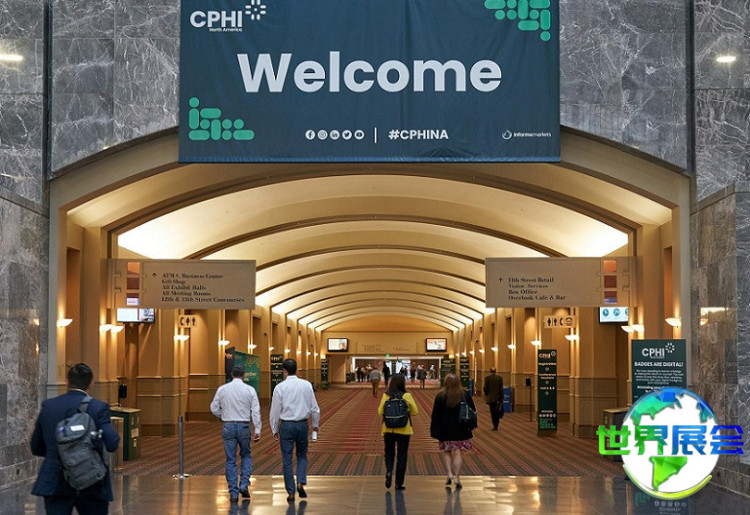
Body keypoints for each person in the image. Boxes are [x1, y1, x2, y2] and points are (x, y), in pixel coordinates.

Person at [30, 363, 120, 515]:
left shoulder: (49, 406)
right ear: (91, 384)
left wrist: (62, 454)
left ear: (67, 382)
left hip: (55, 479)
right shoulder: (98, 407)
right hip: (91, 480)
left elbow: (36, 446)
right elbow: (112, 443)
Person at [270, 358, 321, 503]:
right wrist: (315, 426)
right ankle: (300, 482)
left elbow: (275, 410)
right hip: (302, 424)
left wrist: (274, 428)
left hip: (286, 425)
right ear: (296, 369)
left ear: (284, 371)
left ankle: (291, 492)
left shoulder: (279, 387)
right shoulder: (306, 385)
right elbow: (315, 408)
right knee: (302, 455)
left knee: (287, 459)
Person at [210, 365, 262, 502]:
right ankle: (244, 484)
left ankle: (233, 492)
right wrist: (257, 429)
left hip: (228, 425)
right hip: (244, 425)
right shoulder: (250, 390)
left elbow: (213, 408)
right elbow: (255, 411)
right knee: (246, 455)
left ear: (232, 374)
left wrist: (223, 416)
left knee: (230, 459)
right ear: (243, 375)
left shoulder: (223, 389)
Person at [430, 373, 475, 489]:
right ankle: (457, 477)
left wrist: (434, 429)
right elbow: (472, 410)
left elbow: (435, 414)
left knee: (446, 451)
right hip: (461, 428)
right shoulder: (464, 394)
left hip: (445, 429)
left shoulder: (441, 395)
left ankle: (449, 474)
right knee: (458, 452)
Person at [377, 374, 418, 491]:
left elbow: (380, 411)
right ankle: (399, 483)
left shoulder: (386, 396)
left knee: (389, 453)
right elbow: (415, 412)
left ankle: (389, 471)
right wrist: (406, 410)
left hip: (388, 429)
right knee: (402, 456)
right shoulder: (407, 396)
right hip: (404, 430)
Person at [483, 367, 504, 431]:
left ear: (490, 371)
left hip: (491, 398)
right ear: (495, 371)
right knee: (497, 411)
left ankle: (494, 425)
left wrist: (487, 395)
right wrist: (502, 397)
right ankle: (496, 424)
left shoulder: (487, 378)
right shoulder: (499, 378)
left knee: (492, 412)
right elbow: (501, 389)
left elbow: (485, 388)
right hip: (498, 398)